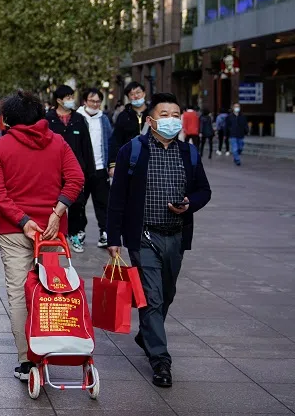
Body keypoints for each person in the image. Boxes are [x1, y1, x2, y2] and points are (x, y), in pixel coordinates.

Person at [106, 92, 212, 388]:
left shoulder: (188, 153)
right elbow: (118, 198)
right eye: (164, 115)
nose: (171, 120)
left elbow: (205, 190)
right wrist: (113, 237)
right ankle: (160, 360)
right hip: (143, 236)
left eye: (175, 114)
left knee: (167, 293)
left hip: (175, 235)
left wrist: (190, 202)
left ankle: (147, 334)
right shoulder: (134, 150)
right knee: (152, 297)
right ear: (151, 120)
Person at [0, 91, 85, 381]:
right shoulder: (58, 142)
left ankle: (26, 360)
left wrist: (23, 220)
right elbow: (76, 178)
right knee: (52, 289)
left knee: (19, 292)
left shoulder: (0, 148)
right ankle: (52, 348)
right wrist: (57, 212)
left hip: (14, 231)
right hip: (53, 233)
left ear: (9, 119)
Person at [45, 85, 95, 253]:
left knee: (77, 204)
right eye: (67, 97)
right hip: (53, 170)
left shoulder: (79, 119)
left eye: (71, 96)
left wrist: (90, 171)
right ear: (59, 100)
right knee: (55, 203)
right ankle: (56, 235)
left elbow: (86, 146)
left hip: (75, 170)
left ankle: (74, 235)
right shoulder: (48, 119)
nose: (70, 100)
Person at [76, 88, 113, 249]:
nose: (95, 104)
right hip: (81, 169)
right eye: (92, 101)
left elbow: (110, 142)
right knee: (79, 203)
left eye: (98, 101)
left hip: (100, 168)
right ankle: (78, 232)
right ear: (85, 101)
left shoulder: (104, 119)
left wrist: (110, 164)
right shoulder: (77, 118)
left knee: (103, 202)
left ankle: (105, 232)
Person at [109, 82, 149, 175]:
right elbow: (116, 141)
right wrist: (113, 164)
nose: (136, 96)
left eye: (138, 92)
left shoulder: (153, 113)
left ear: (144, 93)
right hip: (129, 162)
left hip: (152, 161)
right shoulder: (123, 116)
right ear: (128, 97)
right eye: (132, 94)